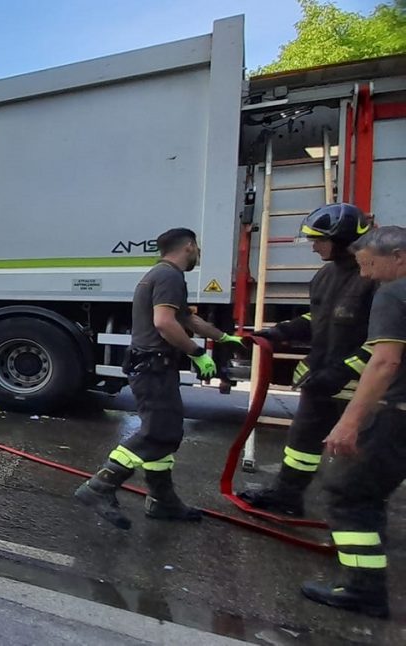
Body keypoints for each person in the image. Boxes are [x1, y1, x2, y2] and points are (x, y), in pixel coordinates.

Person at [74, 228, 245, 529]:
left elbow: (185, 318)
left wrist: (223, 337)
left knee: (166, 432)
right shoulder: (169, 276)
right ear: (189, 247)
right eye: (198, 248)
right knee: (157, 433)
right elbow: (164, 323)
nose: (198, 253)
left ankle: (162, 500)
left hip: (153, 367)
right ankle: (99, 488)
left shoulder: (163, 275)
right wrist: (196, 352)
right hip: (153, 367)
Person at [239, 204, 376, 516]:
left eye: (319, 240)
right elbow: (319, 317)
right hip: (321, 378)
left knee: (362, 453)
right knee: (301, 443)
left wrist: (344, 371)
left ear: (341, 239)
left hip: (360, 388)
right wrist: (280, 331)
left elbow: (384, 341)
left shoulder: (373, 278)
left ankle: (360, 514)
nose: (314, 247)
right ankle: (287, 496)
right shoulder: (326, 275)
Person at [300, 226, 406, 619]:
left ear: (397, 257)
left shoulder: (394, 294)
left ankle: (364, 589)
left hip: (399, 414)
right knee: (371, 490)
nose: (365, 275)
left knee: (347, 494)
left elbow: (384, 362)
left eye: (369, 265)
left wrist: (349, 422)